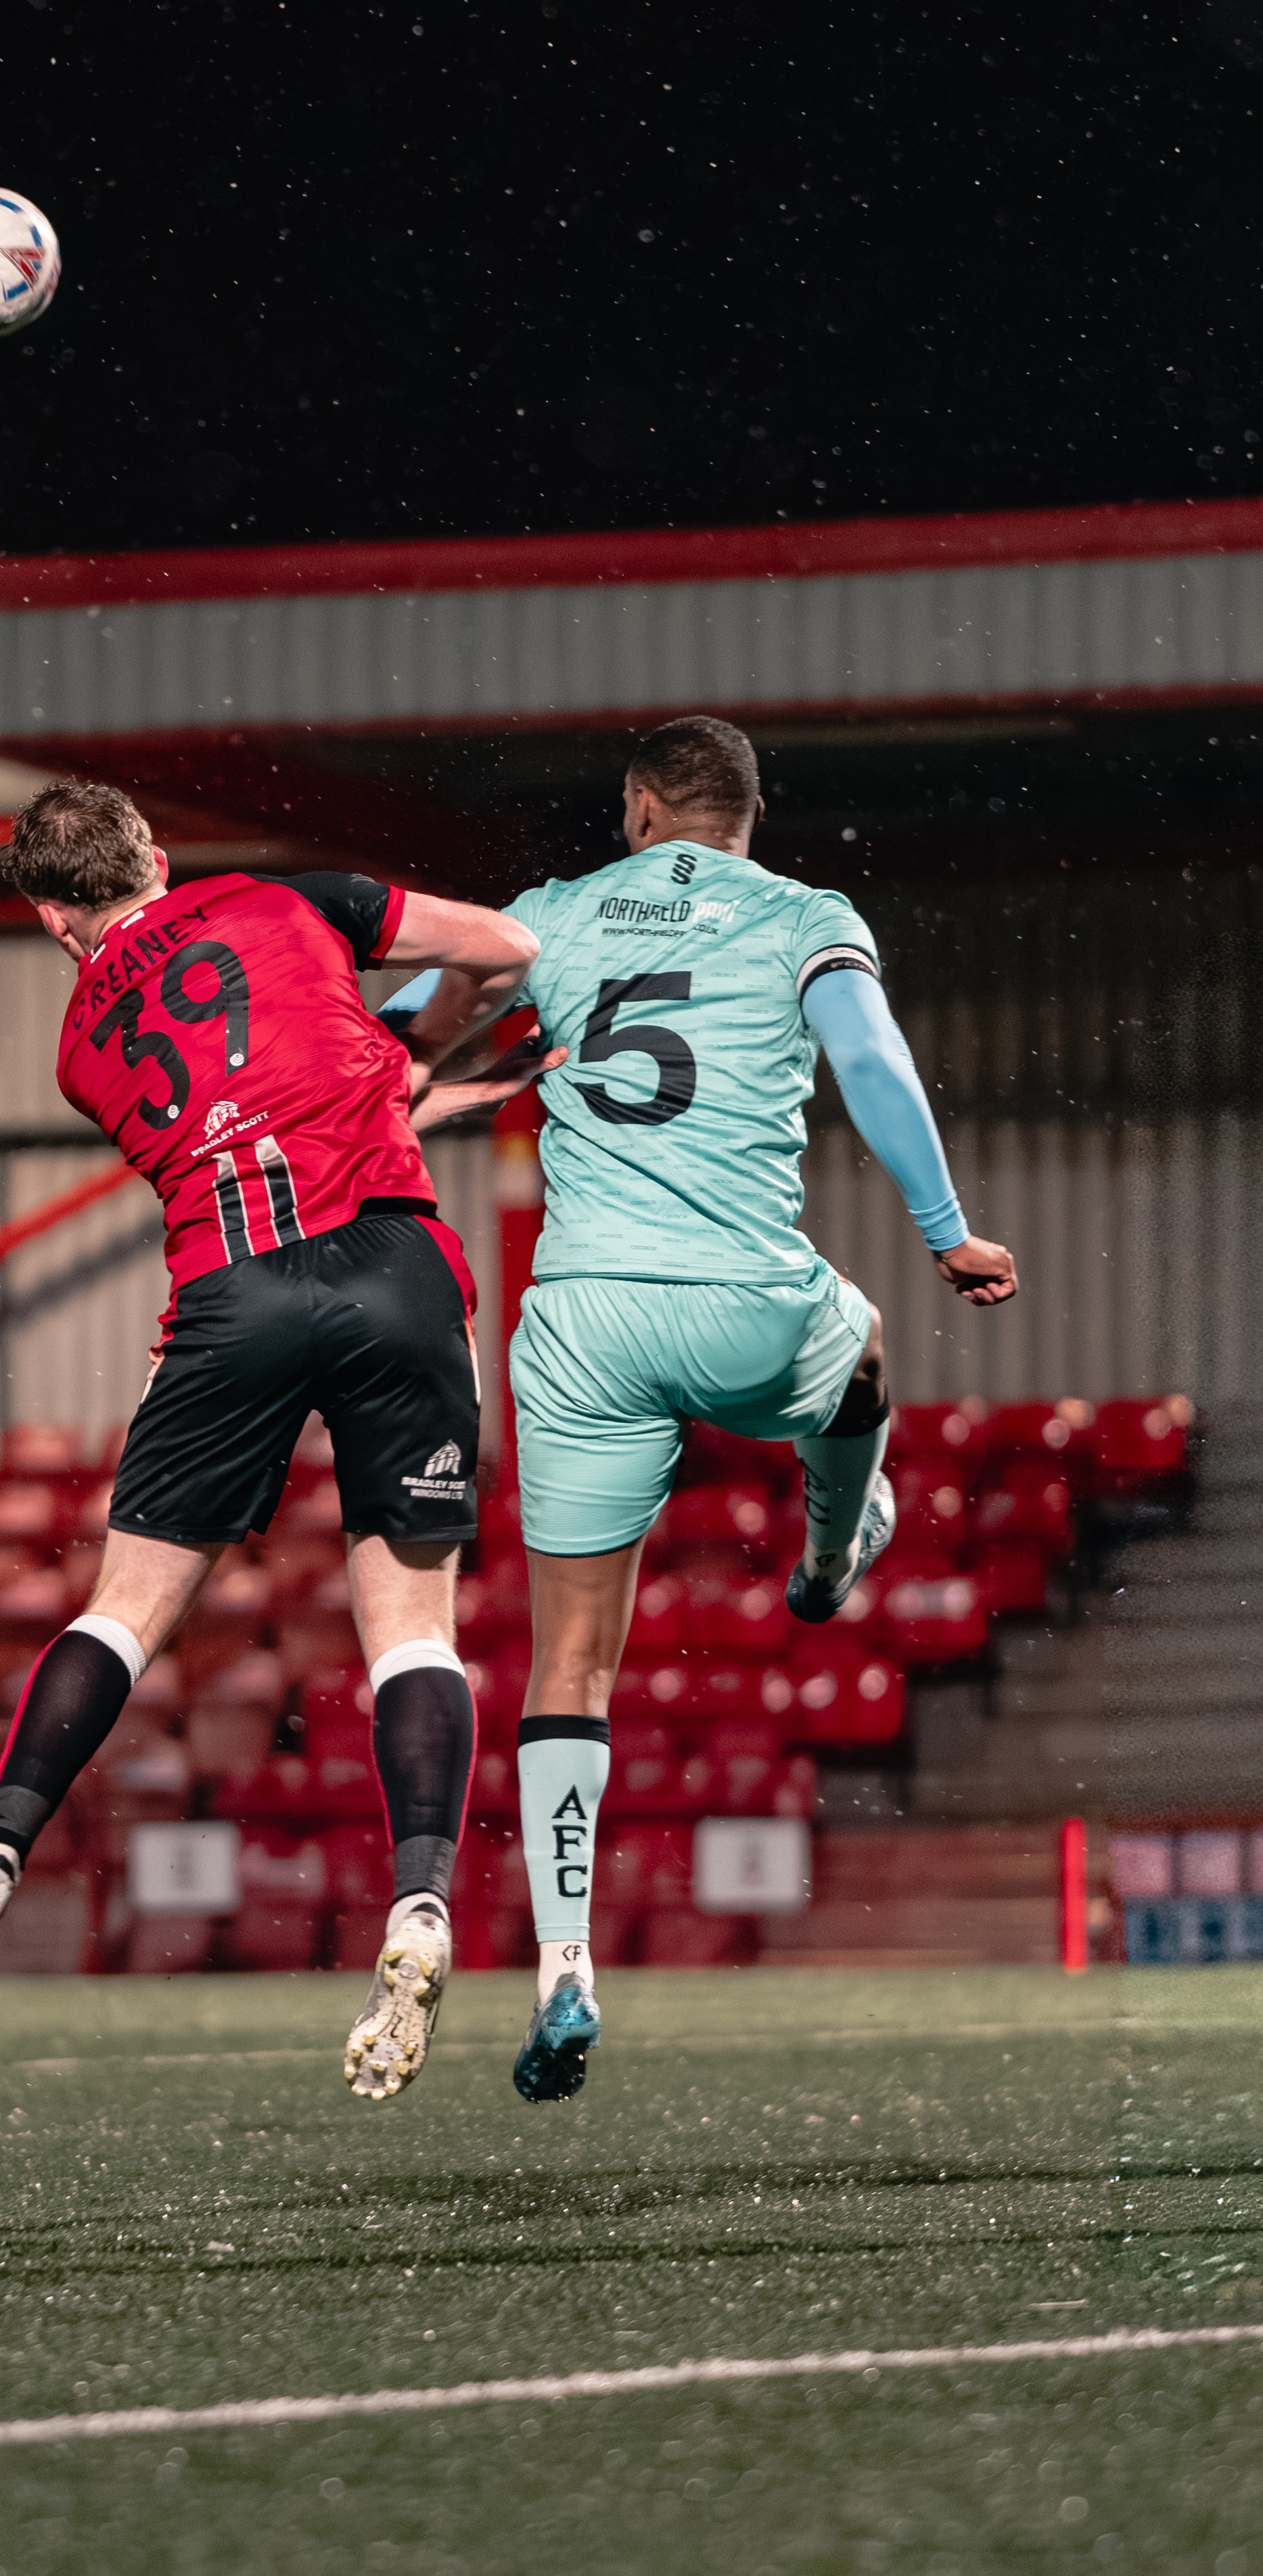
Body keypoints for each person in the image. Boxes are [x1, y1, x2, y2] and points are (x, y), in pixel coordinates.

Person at [0, 777, 554, 2103]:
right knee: (414, 1628)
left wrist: (396, 1064)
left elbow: (245, 1111)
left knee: (122, 1613)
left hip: (232, 1294)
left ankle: (1, 1847)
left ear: (56, 921)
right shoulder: (287, 899)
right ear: (162, 857)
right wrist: (472, 1033)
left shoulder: (79, 1047)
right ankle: (419, 1900)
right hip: (394, 1268)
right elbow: (502, 950)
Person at [496, 714, 1018, 2104]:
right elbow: (871, 1058)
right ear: (743, 817)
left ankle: (561, 1959)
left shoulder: (545, 916)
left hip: (582, 1322)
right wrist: (945, 1225)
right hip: (738, 1302)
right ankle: (832, 1545)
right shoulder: (801, 913)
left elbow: (420, 1021)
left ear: (642, 805)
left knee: (570, 1669)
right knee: (858, 1353)